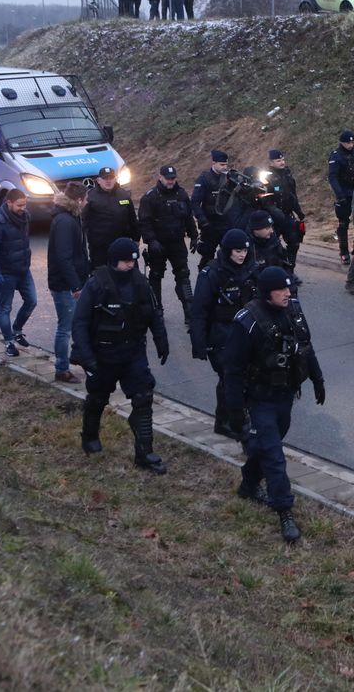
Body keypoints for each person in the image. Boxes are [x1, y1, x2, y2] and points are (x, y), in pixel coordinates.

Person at [223, 266, 324, 543]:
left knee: (267, 445)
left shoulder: (292, 310)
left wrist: (317, 378)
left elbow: (305, 345)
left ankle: (248, 484)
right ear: (267, 292)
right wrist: (235, 413)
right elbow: (232, 370)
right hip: (259, 398)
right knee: (274, 455)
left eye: (289, 288)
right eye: (282, 289)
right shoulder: (248, 321)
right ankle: (284, 511)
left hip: (285, 395)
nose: (288, 293)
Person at [71, 238, 169, 474]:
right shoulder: (96, 285)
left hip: (133, 352)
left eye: (133, 261)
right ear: (114, 261)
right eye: (126, 261)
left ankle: (144, 453)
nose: (130, 266)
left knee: (143, 397)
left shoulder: (140, 283)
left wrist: (161, 340)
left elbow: (153, 313)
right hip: (103, 354)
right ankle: (90, 436)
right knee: (97, 398)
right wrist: (87, 357)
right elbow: (80, 322)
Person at [190, 229, 259, 441]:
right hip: (219, 336)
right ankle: (235, 423)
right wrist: (198, 342)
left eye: (245, 250)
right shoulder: (212, 273)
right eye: (238, 251)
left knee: (233, 379)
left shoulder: (249, 269)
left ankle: (223, 420)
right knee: (231, 378)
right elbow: (199, 310)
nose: (242, 255)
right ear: (228, 250)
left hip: (242, 334)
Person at [138, 165, 198, 322]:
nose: (171, 181)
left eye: (173, 178)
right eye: (168, 178)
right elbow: (144, 222)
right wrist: (151, 241)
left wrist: (194, 236)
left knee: (183, 275)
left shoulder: (182, 194)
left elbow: (188, 217)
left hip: (177, 243)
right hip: (158, 244)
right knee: (156, 277)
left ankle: (189, 311)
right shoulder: (150, 197)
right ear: (160, 177)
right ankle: (157, 311)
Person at [0, 188, 37, 358]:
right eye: (19, 205)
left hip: (23, 268)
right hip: (7, 272)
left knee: (32, 300)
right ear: (8, 203)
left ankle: (17, 330)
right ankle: (9, 342)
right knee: (5, 307)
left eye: (25, 204)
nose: (23, 208)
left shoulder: (25, 217)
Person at [47, 183, 90, 383]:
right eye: (86, 199)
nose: (88, 202)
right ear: (79, 200)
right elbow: (64, 257)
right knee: (65, 327)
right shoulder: (65, 221)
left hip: (70, 281)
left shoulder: (70, 216)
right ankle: (61, 369)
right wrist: (75, 286)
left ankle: (75, 359)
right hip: (64, 284)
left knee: (75, 324)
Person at [83, 166, 139, 269]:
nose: (108, 181)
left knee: (127, 275)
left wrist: (136, 239)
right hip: (100, 248)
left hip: (122, 244)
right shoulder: (90, 197)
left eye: (111, 178)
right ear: (99, 180)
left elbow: (132, 219)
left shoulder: (124, 195)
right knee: (102, 278)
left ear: (115, 179)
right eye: (105, 178)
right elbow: (84, 222)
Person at [328, 130, 354, 265]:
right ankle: (343, 251)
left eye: (352, 142)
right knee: (343, 223)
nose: (350, 145)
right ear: (342, 143)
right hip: (344, 193)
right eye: (347, 143)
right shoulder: (336, 156)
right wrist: (340, 196)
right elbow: (333, 178)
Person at [192, 150, 231, 271]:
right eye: (221, 165)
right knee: (207, 256)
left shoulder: (229, 178)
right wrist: (203, 220)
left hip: (226, 223)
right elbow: (195, 202)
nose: (224, 167)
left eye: (226, 164)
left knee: (229, 255)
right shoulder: (204, 179)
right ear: (213, 163)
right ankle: (204, 280)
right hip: (210, 224)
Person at [266, 148, 305, 267]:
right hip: (273, 218)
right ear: (271, 162)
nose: (282, 162)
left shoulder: (288, 175)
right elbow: (264, 199)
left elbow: (293, 196)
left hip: (287, 215)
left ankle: (290, 267)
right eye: (278, 161)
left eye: (282, 159)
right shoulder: (267, 178)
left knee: (294, 242)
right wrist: (274, 211)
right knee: (271, 245)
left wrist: (299, 212)